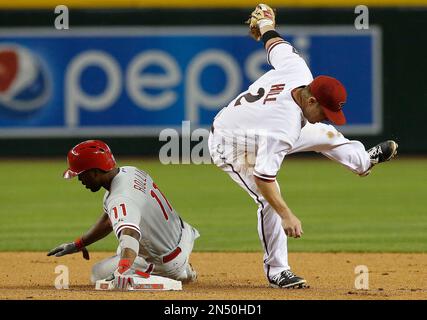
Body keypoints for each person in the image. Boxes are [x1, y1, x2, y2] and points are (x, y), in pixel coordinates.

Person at [208, 4, 398, 289]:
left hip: (258, 128)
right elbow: (263, 177)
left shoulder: (298, 70)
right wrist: (287, 214)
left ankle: (362, 161)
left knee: (327, 135)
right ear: (311, 101)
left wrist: (265, 26)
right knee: (270, 201)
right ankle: (278, 271)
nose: (327, 116)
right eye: (325, 111)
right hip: (231, 143)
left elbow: (275, 44)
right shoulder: (282, 126)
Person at [48, 140, 199, 289]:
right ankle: (180, 267)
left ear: (95, 170)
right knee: (123, 250)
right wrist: (78, 244)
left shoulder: (120, 198)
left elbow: (130, 233)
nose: (80, 179)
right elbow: (109, 220)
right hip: (182, 235)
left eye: (81, 174)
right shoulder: (130, 171)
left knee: (98, 273)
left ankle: (178, 274)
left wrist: (123, 269)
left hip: (165, 262)